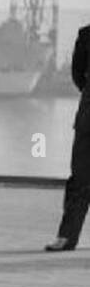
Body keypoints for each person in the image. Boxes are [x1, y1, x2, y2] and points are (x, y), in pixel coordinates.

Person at [46, 21, 89, 252]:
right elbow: (77, 75)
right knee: (80, 179)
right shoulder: (86, 35)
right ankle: (67, 237)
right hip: (88, 121)